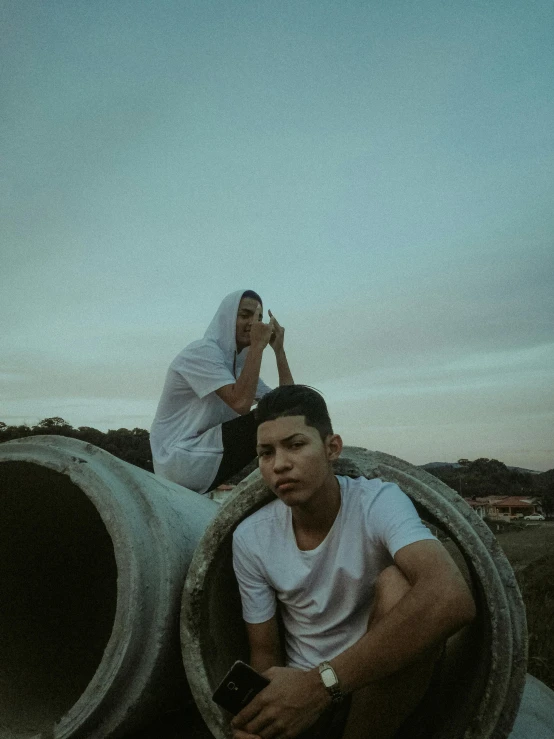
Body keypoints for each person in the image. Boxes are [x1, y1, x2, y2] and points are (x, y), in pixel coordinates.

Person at [231, 385, 476, 739]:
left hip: (380, 686)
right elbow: (265, 652)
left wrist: (321, 685)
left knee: (399, 584)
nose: (280, 464)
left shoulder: (377, 503)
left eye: (296, 445)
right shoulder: (251, 537)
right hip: (301, 700)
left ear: (332, 448)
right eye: (266, 453)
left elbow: (451, 597)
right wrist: (262, 717)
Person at [150, 290, 293, 494]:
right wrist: (258, 348)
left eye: (259, 318)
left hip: (205, 456)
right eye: (245, 315)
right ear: (227, 319)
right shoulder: (202, 352)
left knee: (287, 415)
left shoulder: (238, 368)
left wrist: (279, 350)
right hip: (179, 459)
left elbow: (291, 404)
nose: (253, 323)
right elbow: (240, 403)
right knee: (273, 417)